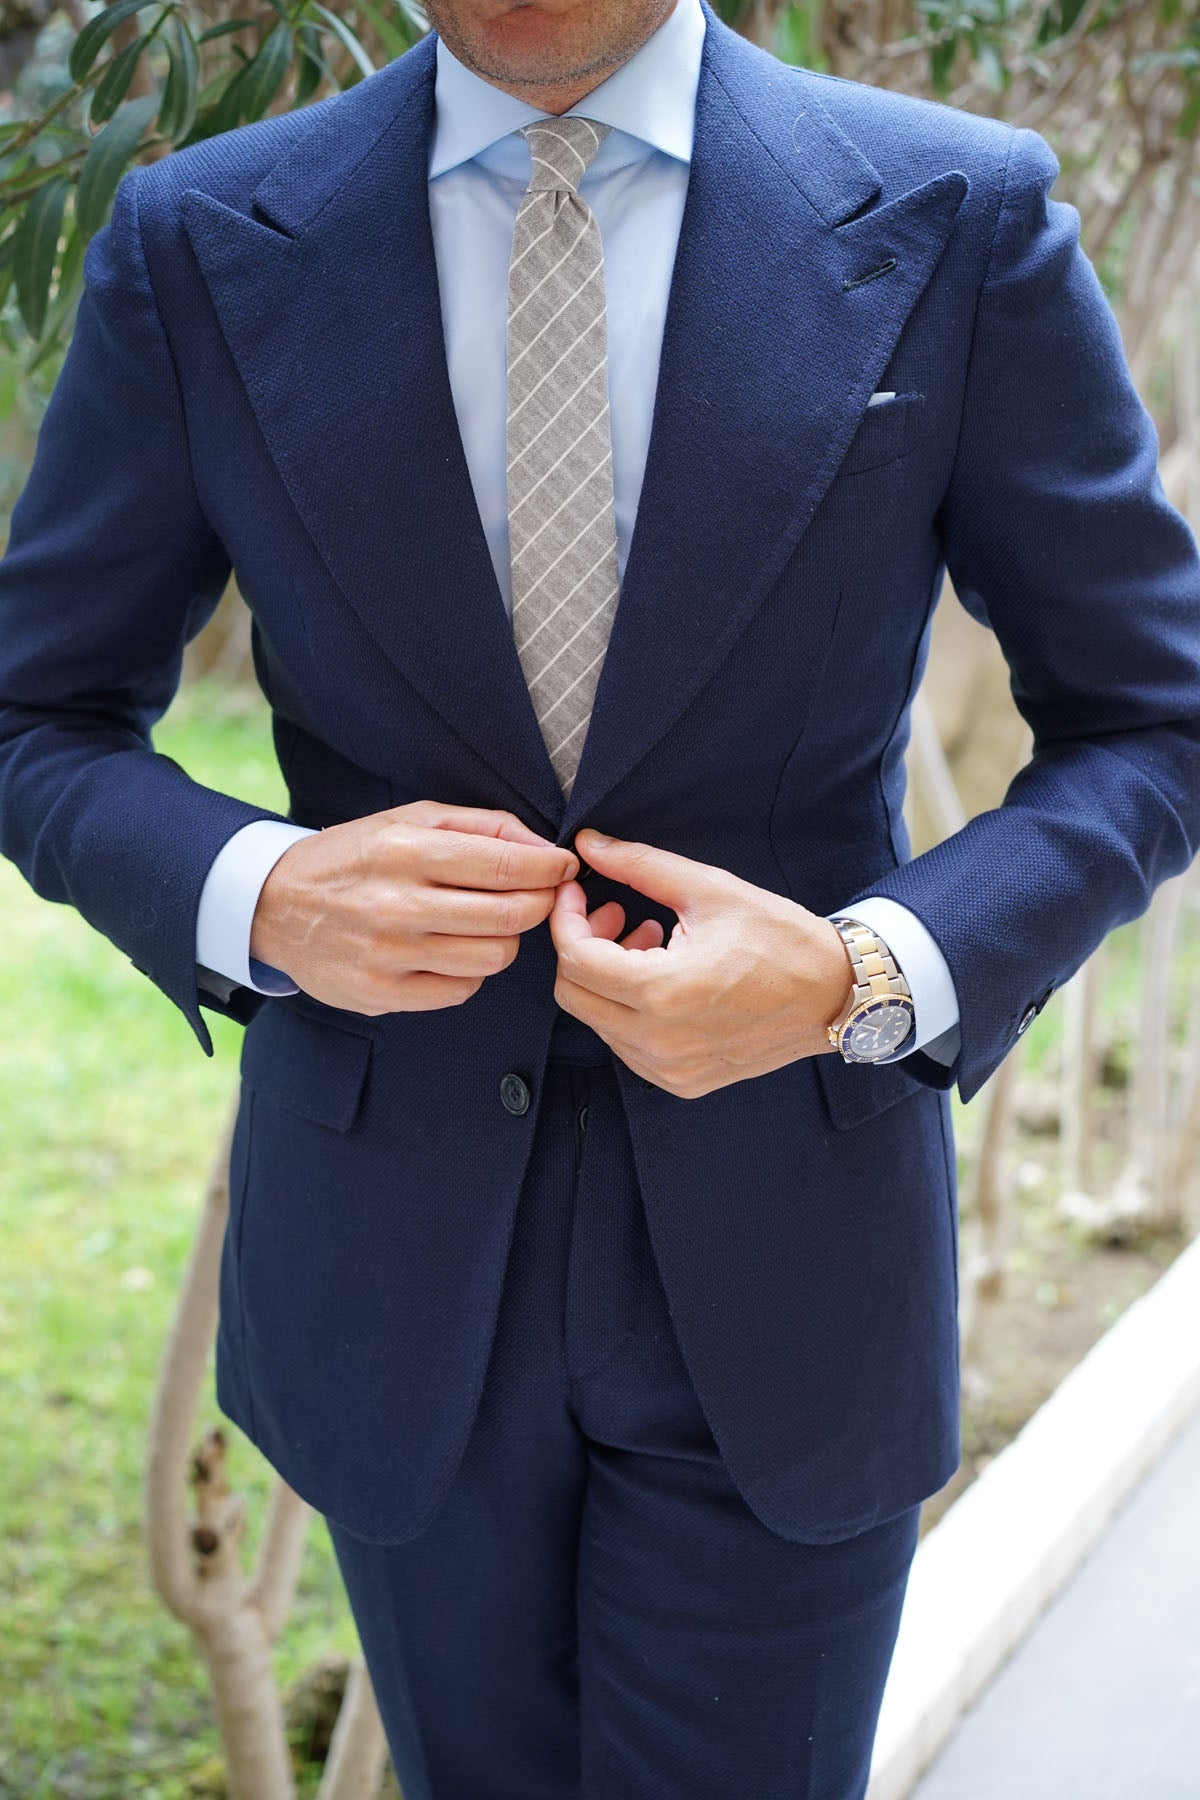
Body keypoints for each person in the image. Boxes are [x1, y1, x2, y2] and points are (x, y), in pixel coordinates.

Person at [1, 0, 1198, 1790]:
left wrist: (862, 972)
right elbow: (39, 706)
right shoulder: (202, 239)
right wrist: (259, 891)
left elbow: (1151, 720)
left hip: (789, 1250)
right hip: (396, 1258)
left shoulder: (958, 211)